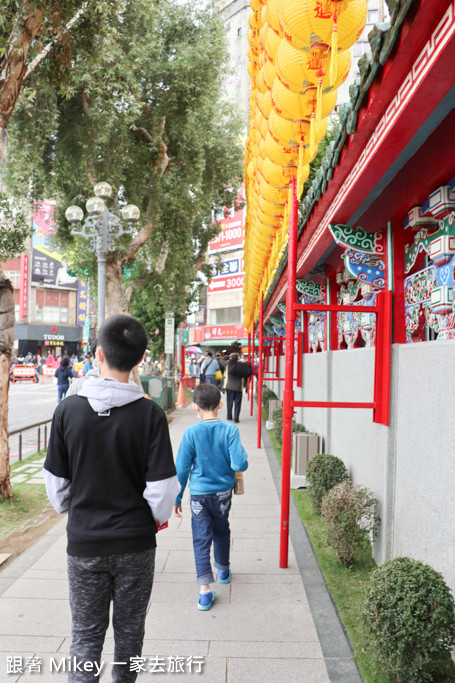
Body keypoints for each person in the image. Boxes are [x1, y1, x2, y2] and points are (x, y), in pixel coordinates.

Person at [43, 314, 180, 683]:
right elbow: (164, 489)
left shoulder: (67, 410)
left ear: (98, 353)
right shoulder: (150, 415)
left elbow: (57, 487)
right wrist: (148, 519)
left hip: (84, 543)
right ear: (139, 359)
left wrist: (81, 510)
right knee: (130, 636)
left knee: (86, 636)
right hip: (136, 544)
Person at [173, 383, 248, 611]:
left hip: (198, 495)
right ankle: (223, 570)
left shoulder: (191, 433)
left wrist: (176, 498)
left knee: (201, 538)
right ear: (221, 404)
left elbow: (182, 468)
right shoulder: (230, 431)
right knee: (222, 530)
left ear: (195, 407)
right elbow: (239, 463)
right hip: (223, 494)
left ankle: (204, 591)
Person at [219, 352, 253, 423]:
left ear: (231, 358)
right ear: (237, 359)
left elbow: (221, 360)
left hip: (229, 387)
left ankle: (229, 416)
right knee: (237, 403)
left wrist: (228, 356)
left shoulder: (228, 365)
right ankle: (236, 418)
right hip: (238, 387)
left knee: (229, 402)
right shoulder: (241, 366)